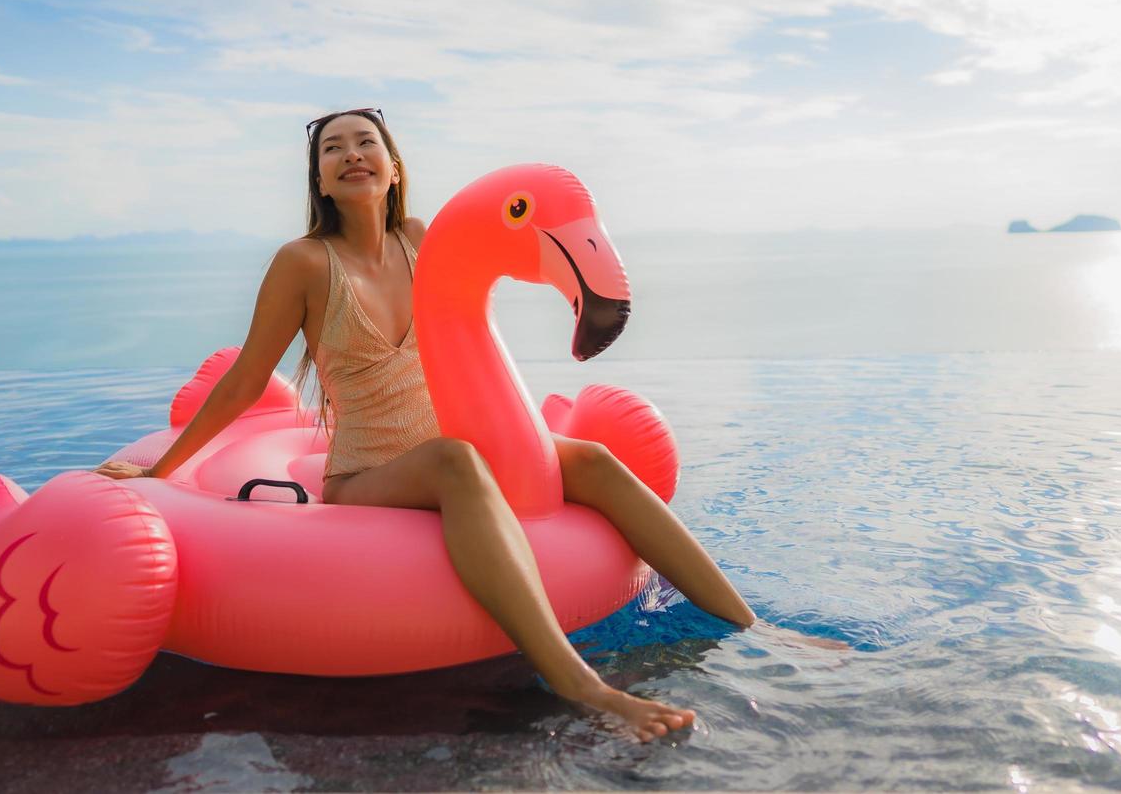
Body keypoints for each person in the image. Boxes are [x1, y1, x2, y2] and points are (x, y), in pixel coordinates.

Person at [94, 107, 757, 742]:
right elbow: (243, 383)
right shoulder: (301, 263)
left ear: (392, 165)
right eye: (333, 149)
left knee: (590, 460)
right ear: (319, 179)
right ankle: (580, 684)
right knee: (455, 461)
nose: (351, 154)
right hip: (368, 471)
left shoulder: (421, 240)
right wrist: (162, 472)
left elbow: (473, 330)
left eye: (365, 142)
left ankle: (749, 624)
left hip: (455, 443)